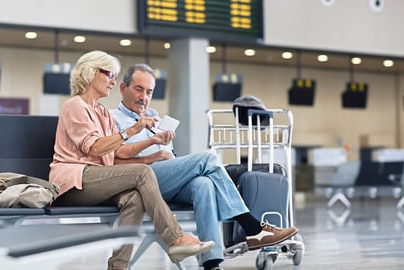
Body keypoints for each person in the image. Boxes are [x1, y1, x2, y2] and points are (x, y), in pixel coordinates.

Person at [110, 63, 299, 270]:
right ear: (123, 88)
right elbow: (112, 162)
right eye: (138, 89)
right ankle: (251, 226)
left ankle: (212, 263)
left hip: (166, 181)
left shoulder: (154, 118)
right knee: (207, 158)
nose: (143, 97)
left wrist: (169, 156)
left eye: (149, 92)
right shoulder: (112, 118)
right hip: (140, 182)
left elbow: (169, 157)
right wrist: (152, 155)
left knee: (203, 184)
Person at [48, 51, 214, 270]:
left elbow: (115, 156)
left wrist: (151, 143)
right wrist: (131, 130)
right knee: (142, 172)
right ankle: (175, 238)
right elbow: (95, 147)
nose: (113, 81)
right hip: (73, 182)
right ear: (90, 73)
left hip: (96, 180)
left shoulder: (103, 113)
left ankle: (118, 267)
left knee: (134, 199)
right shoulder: (75, 106)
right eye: (108, 74)